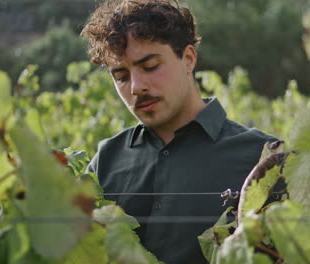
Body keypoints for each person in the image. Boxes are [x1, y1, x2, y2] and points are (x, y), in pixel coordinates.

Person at [81, 0, 278, 263]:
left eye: (150, 66)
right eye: (121, 76)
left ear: (188, 59)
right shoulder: (105, 162)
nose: (136, 86)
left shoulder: (262, 157)